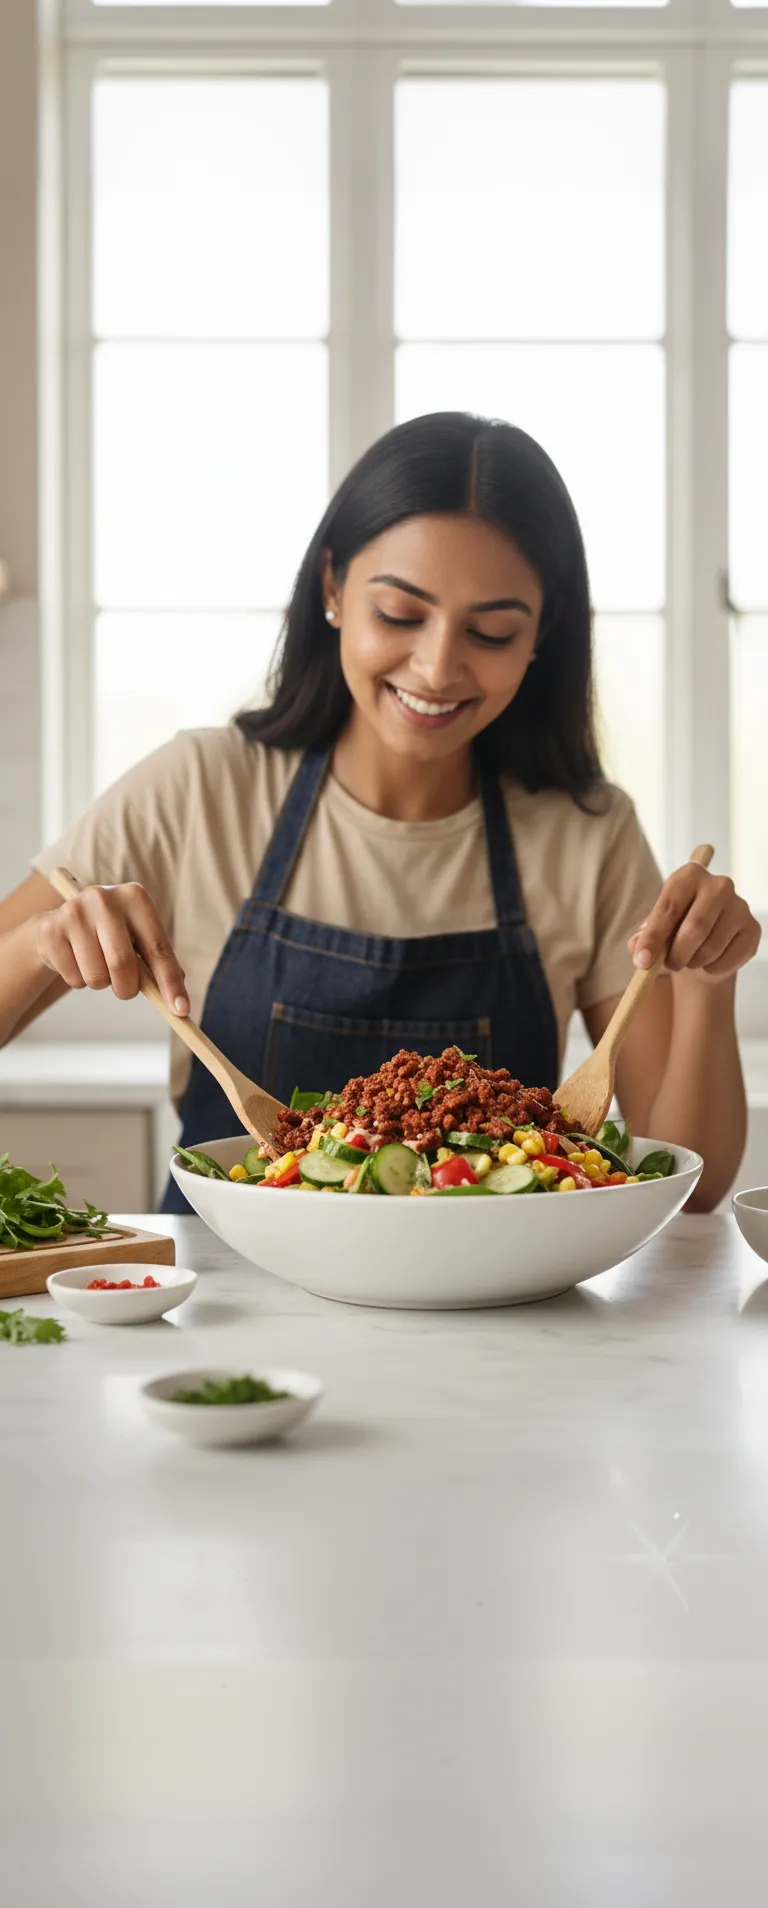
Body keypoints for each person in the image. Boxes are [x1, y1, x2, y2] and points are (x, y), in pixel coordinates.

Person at [0, 413, 760, 1212]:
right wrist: (42, 943)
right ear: (332, 588)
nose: (436, 667)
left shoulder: (587, 833)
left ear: (543, 634)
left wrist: (709, 982)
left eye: (492, 631)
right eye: (400, 614)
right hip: (223, 1315)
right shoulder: (200, 787)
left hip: (497, 1315)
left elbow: (694, 1182)